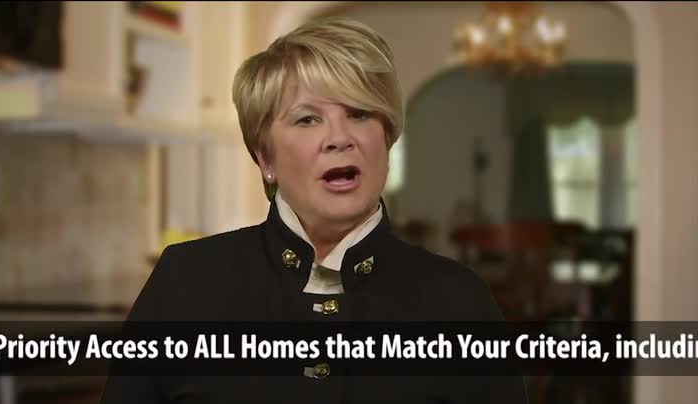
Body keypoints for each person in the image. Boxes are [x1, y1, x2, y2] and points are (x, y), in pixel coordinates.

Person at [100, 16, 527, 403]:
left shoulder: (460, 301)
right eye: (307, 119)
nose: (339, 138)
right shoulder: (184, 283)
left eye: (359, 114)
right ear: (265, 158)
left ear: (387, 138)